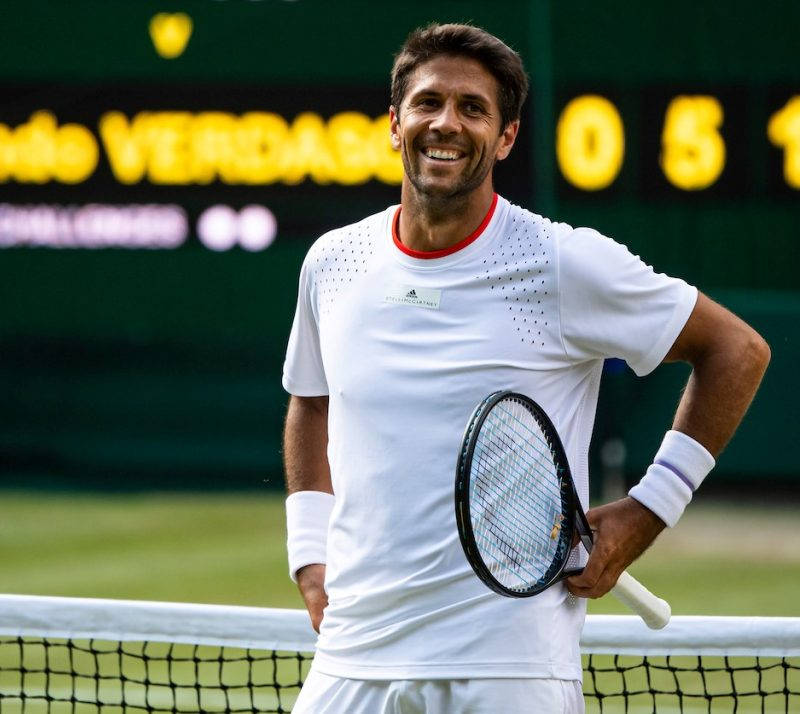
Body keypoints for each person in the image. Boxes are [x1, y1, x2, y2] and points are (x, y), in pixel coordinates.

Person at [281, 22, 770, 713]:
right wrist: (308, 554)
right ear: (395, 124)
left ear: (505, 138)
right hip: (352, 655)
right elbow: (311, 400)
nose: (445, 123)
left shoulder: (562, 262)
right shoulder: (332, 262)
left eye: (472, 108)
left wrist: (647, 511)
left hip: (508, 667)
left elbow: (737, 352)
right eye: (427, 103)